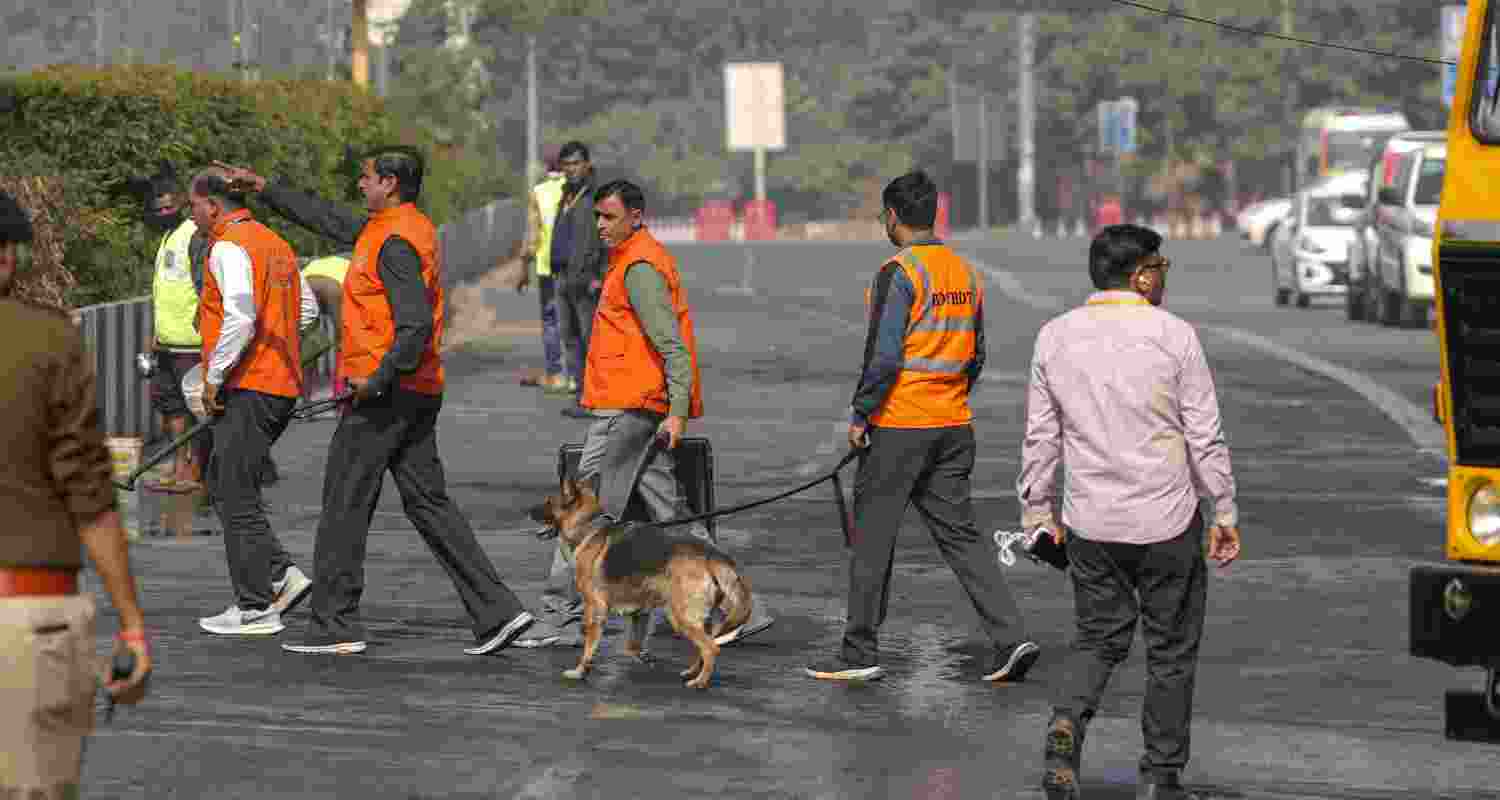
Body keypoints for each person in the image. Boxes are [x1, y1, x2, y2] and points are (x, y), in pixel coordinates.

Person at [213, 149, 537, 656]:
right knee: (429, 503)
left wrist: (378, 378)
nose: (358, 186)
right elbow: (325, 216)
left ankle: (334, 625)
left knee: (343, 503)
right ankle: (499, 612)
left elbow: (414, 326)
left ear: (389, 182)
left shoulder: (393, 243)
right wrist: (263, 187)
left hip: (385, 395)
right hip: (414, 391)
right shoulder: (393, 226)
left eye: (365, 179)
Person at [1016, 224, 1242, 800]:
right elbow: (1205, 435)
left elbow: (1041, 439)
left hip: (1091, 521)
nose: (1165, 276)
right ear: (1142, 275)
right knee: (1170, 647)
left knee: (1097, 639)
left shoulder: (1054, 337)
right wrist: (1224, 510)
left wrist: (1037, 514)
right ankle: (1161, 773)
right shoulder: (1175, 336)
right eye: (1161, 266)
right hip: (1168, 521)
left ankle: (1067, 721)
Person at [516, 179, 774, 649]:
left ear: (636, 216)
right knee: (674, 518)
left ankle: (560, 616)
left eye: (609, 217)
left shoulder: (639, 268)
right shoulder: (631, 261)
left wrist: (676, 412)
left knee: (578, 514)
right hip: (635, 408)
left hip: (628, 411)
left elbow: (672, 346)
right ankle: (744, 608)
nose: (600, 226)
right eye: (597, 217)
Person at [806, 170, 1037, 683]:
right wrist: (948, 395)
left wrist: (863, 414)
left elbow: (884, 358)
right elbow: (975, 355)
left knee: (872, 539)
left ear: (892, 217)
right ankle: (1011, 637)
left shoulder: (898, 272)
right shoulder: (963, 272)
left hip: (900, 425)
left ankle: (859, 650)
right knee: (962, 538)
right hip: (953, 425)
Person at [0, 188, 152, 797]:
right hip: (24, 622)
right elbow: (88, 491)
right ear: (9, 256)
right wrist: (133, 626)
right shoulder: (44, 341)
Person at [190, 167, 320, 636]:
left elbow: (240, 315)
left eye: (194, 206)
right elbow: (305, 311)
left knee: (233, 492)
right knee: (229, 483)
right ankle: (281, 575)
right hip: (279, 383)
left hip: (248, 384)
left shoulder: (226, 246)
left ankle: (254, 607)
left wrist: (215, 376)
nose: (193, 214)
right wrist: (277, 338)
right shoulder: (274, 242)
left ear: (213, 206)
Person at [133, 163, 211, 494]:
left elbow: (204, 286)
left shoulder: (194, 235)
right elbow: (167, 290)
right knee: (171, 408)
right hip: (166, 342)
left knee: (197, 410)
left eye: (170, 206)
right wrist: (155, 336)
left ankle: (197, 471)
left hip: (192, 343)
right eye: (159, 208)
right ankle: (179, 467)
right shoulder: (167, 237)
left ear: (182, 202)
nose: (164, 212)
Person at [550, 141, 607, 418]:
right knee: (570, 339)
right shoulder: (567, 194)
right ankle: (582, 394)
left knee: (591, 341)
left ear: (587, 164)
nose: (571, 169)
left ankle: (598, 399)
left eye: (575, 163)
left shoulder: (597, 196)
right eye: (566, 164)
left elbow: (609, 238)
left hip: (587, 279)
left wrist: (600, 275)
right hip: (562, 277)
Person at [518, 146, 570, 394]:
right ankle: (577, 376)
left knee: (551, 320)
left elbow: (532, 235)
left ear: (546, 167)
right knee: (575, 320)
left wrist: (523, 270)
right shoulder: (576, 191)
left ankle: (556, 374)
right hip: (573, 266)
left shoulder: (538, 192)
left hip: (546, 266)